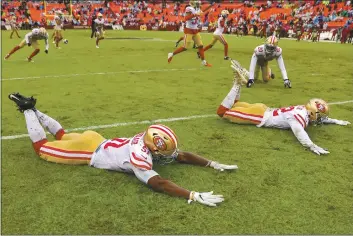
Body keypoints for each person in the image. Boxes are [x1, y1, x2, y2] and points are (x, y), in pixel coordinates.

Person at [8, 93, 238, 207]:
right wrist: (191, 195)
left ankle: (34, 109)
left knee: (62, 135)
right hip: (89, 151)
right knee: (42, 148)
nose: (165, 157)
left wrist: (211, 163)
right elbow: (158, 183)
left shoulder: (146, 139)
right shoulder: (140, 155)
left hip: (94, 138)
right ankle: (28, 111)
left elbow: (182, 155)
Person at [216, 60, 350, 155]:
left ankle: (239, 83)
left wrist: (335, 121)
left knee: (233, 105)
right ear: (312, 113)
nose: (321, 119)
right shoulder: (300, 118)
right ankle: (237, 84)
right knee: (222, 112)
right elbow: (299, 132)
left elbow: (314, 118)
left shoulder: (303, 109)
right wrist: (311, 145)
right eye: (320, 116)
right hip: (259, 116)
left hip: (262, 108)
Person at [167, 0, 213, 67]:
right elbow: (186, 18)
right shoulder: (188, 8)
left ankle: (203, 62)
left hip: (195, 30)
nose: (198, 4)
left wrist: (207, 8)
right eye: (197, 3)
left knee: (200, 46)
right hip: (189, 30)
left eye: (198, 3)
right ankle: (171, 54)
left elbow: (200, 13)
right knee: (185, 47)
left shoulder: (197, 9)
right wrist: (195, 14)